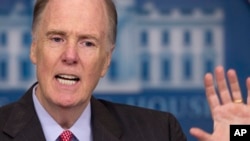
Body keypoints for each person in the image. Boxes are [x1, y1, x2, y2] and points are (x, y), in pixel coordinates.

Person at [0, 0, 249, 141]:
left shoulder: (159, 133)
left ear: (106, 60)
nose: (70, 56)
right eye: (57, 38)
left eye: (88, 42)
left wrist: (240, 135)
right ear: (34, 49)